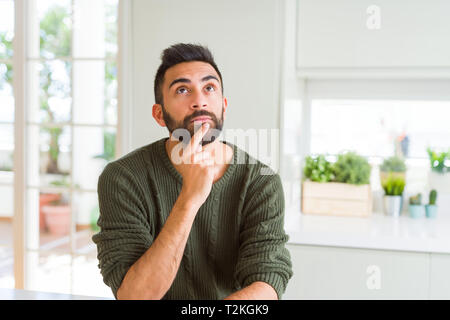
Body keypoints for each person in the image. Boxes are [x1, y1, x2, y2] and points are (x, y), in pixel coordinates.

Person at [92, 43, 293, 300]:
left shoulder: (260, 182)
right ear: (159, 115)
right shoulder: (123, 178)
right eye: (183, 90)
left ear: (223, 105)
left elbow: (267, 282)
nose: (199, 101)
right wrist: (189, 198)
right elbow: (135, 296)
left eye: (209, 88)